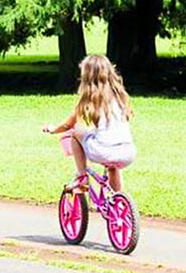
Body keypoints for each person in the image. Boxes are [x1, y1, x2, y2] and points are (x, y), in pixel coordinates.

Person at [42, 54, 137, 192]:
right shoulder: (119, 95)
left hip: (104, 151)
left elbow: (68, 125)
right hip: (128, 152)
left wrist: (53, 129)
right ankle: (118, 202)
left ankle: (82, 177)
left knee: (75, 134)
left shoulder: (89, 98)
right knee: (113, 168)